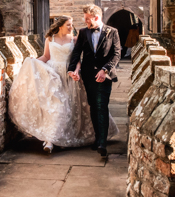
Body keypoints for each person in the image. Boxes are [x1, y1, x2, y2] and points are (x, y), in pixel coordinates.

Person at [7, 15, 117, 154]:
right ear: (60, 26)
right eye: (69, 25)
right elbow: (46, 57)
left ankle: (59, 137)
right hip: (53, 74)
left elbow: (76, 58)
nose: (72, 27)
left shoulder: (74, 39)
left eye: (71, 25)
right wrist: (34, 61)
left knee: (68, 107)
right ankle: (50, 140)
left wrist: (76, 70)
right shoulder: (50, 39)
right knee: (56, 106)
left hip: (69, 74)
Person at [67, 4, 121, 159]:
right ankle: (98, 138)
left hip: (106, 75)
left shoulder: (113, 32)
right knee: (93, 106)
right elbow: (77, 53)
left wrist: (105, 70)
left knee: (102, 105)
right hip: (89, 75)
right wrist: (72, 70)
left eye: (87, 19)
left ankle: (103, 143)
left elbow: (117, 54)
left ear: (96, 17)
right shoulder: (83, 33)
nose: (85, 22)